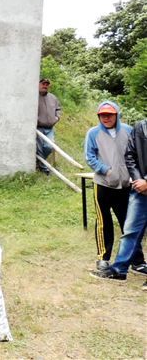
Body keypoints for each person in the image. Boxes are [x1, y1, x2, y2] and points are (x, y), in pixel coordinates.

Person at [90, 119, 147, 285]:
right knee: (130, 230)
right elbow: (130, 156)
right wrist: (139, 181)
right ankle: (119, 270)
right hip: (140, 190)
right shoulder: (140, 127)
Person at [83, 101, 138, 272]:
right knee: (103, 221)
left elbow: (136, 154)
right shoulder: (93, 133)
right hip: (103, 184)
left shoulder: (129, 131)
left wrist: (133, 174)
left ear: (117, 115)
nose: (106, 118)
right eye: (102, 115)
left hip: (125, 185)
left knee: (129, 223)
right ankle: (103, 258)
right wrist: (105, 170)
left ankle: (136, 259)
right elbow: (89, 156)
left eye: (110, 115)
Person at [36, 78, 62, 174]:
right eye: (43, 84)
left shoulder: (53, 98)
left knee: (49, 147)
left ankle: (40, 164)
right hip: (38, 128)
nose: (45, 86)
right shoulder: (34, 97)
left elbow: (58, 109)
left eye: (47, 84)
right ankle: (44, 169)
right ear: (38, 84)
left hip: (50, 128)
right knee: (39, 149)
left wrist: (57, 118)